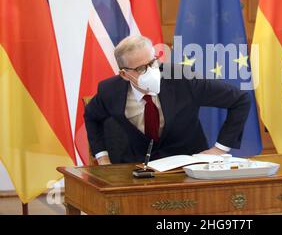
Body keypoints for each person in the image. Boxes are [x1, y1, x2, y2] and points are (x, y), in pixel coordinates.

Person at [84, 35, 250, 165]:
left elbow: (240, 100)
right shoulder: (110, 90)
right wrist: (102, 157)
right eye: (141, 68)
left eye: (153, 62)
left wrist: (219, 149)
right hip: (136, 168)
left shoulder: (183, 79)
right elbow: (91, 116)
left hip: (187, 165)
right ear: (124, 74)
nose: (151, 71)